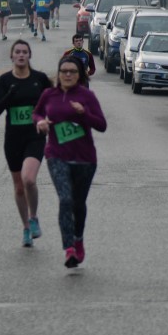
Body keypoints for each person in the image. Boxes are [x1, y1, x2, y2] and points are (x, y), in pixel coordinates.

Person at [33, 56, 107, 268]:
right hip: (56, 155)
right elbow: (36, 113)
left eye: (72, 71)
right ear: (58, 74)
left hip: (85, 159)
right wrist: (41, 122)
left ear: (79, 75)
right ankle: (69, 249)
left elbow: (101, 125)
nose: (67, 75)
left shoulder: (87, 96)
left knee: (78, 203)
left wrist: (84, 114)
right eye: (63, 71)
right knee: (65, 200)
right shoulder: (49, 95)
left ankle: (78, 239)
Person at [0, 40, 53, 247]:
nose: (21, 55)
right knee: (19, 188)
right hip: (13, 140)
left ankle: (34, 217)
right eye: (17, 52)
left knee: (29, 179)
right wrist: (10, 94)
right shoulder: (4, 81)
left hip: (35, 136)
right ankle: (26, 227)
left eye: (24, 52)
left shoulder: (40, 79)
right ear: (11, 56)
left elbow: (53, 103)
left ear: (29, 55)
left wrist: (47, 120)